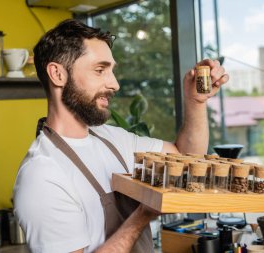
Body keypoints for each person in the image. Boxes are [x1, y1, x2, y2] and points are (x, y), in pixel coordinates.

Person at [13, 19, 229, 253]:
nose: (114, 84)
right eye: (100, 70)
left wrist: (196, 101)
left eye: (112, 71)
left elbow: (187, 158)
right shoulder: (42, 175)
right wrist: (143, 215)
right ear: (57, 74)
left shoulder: (112, 139)